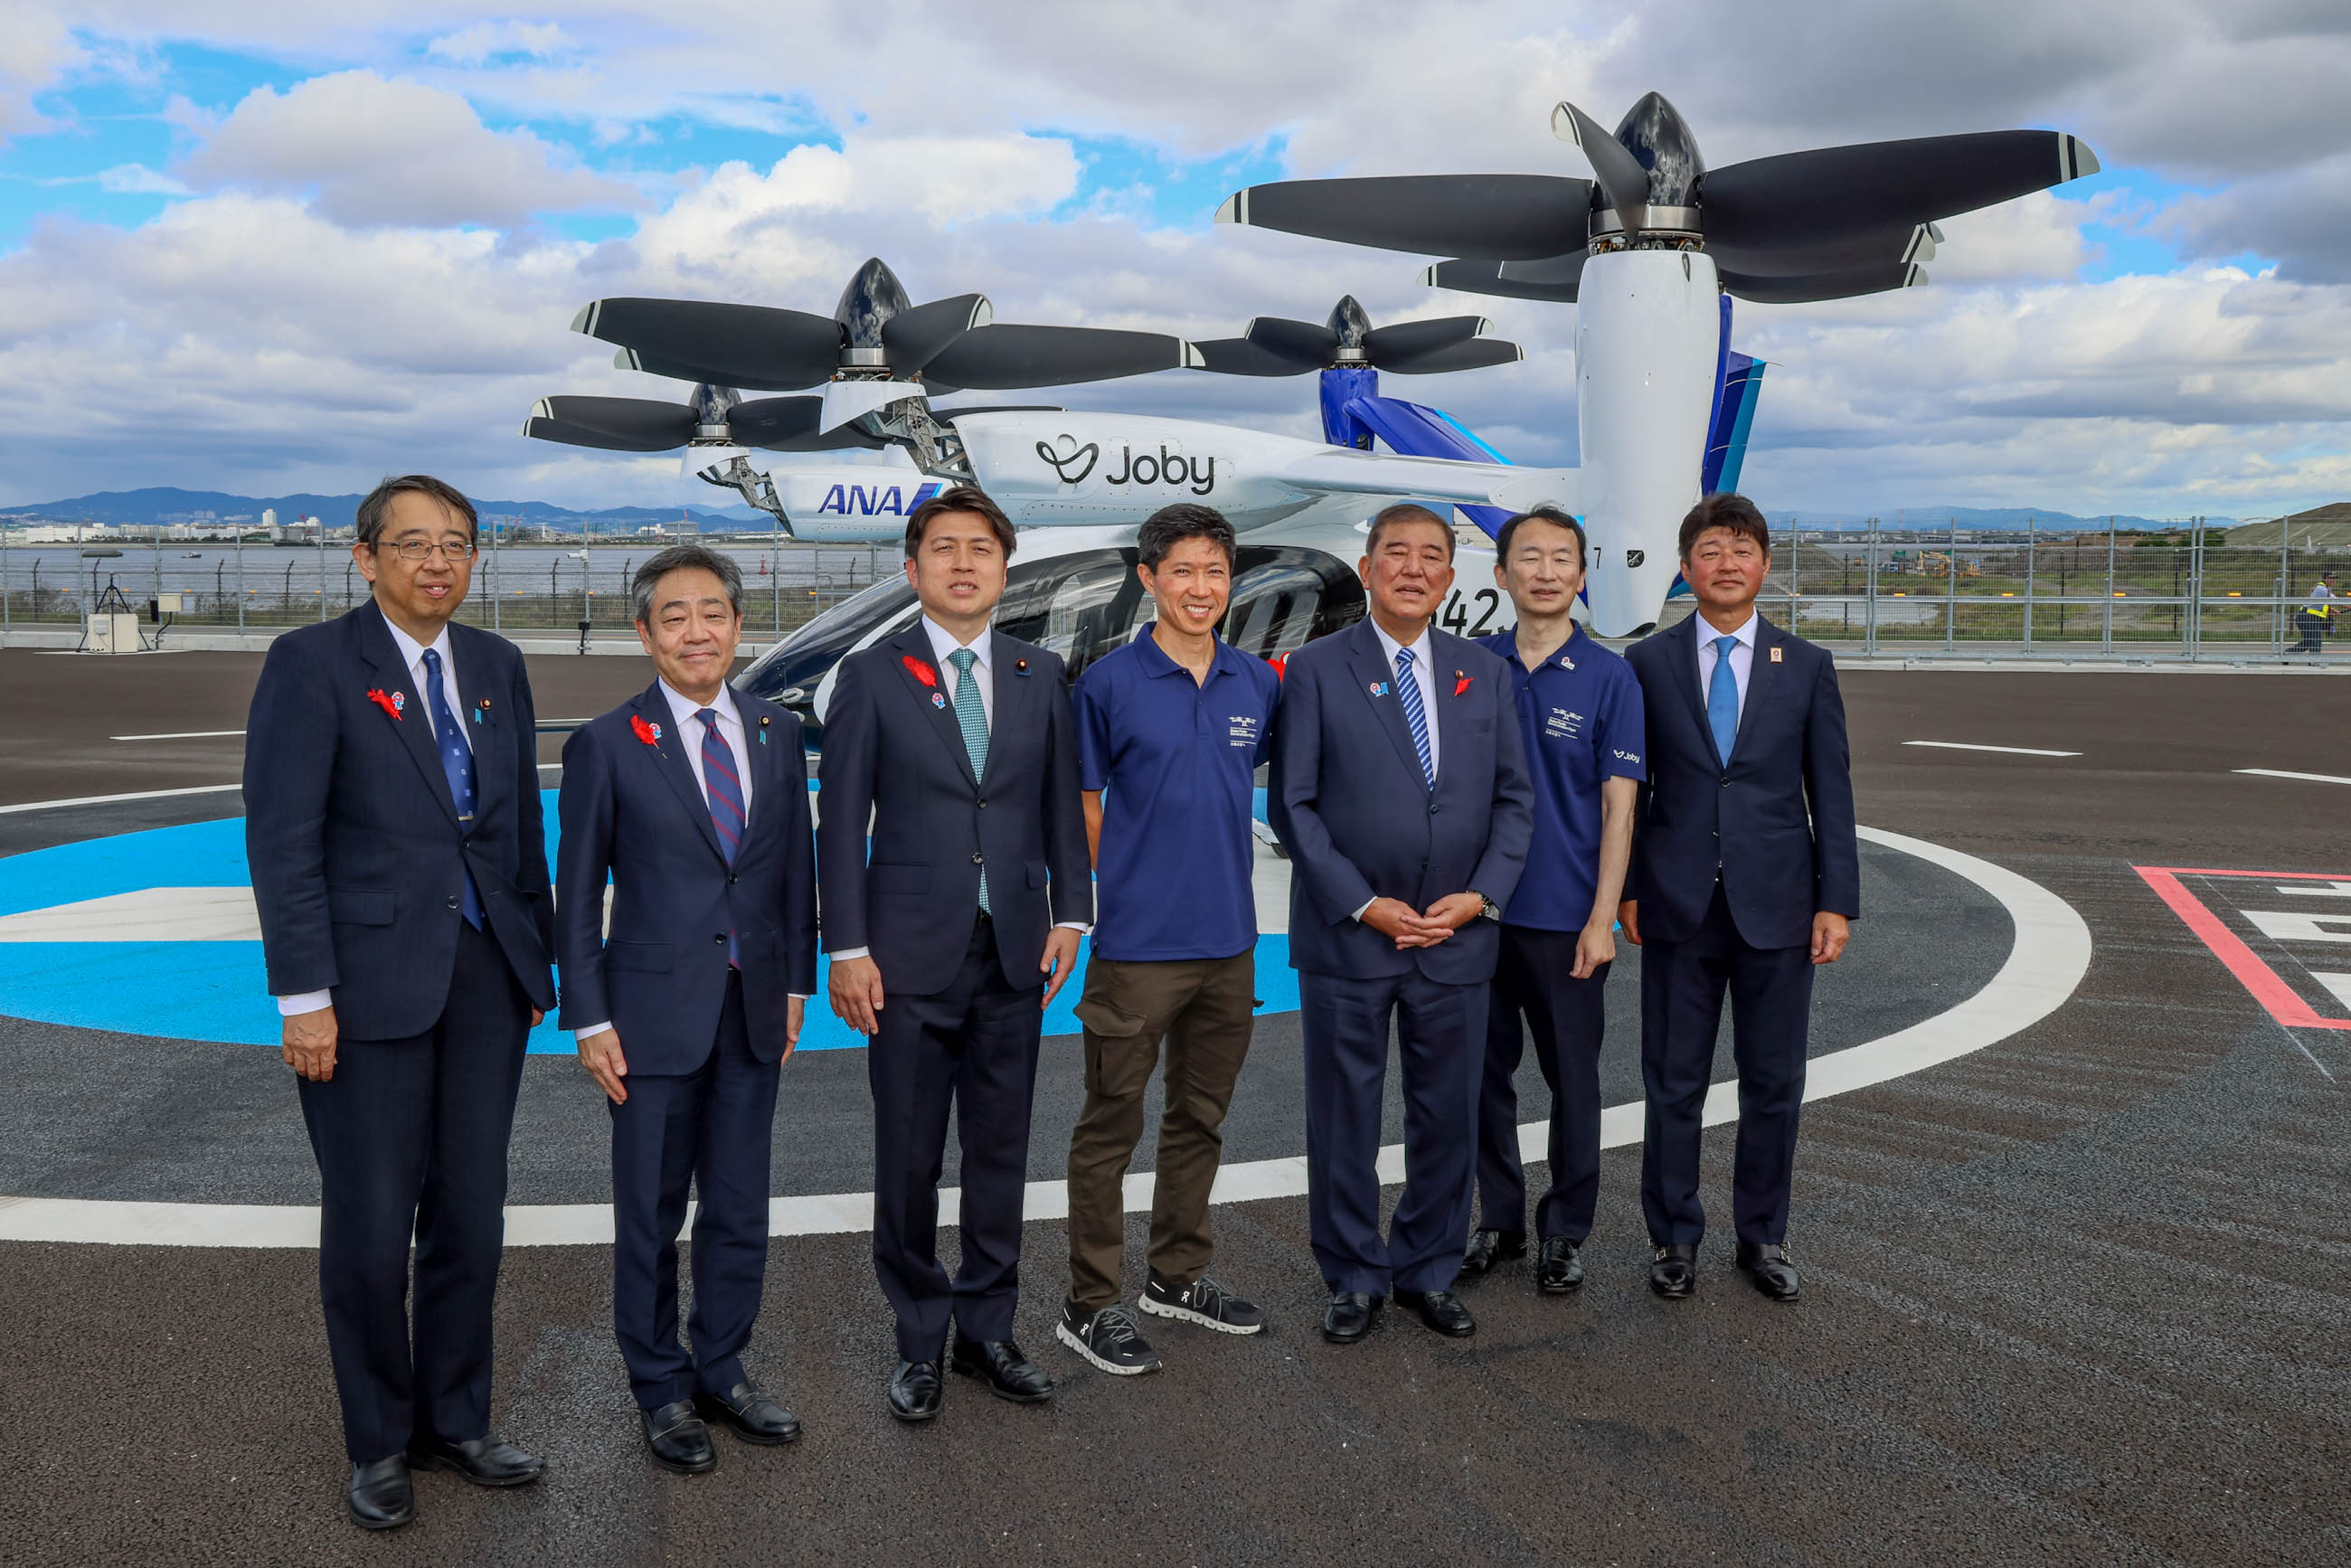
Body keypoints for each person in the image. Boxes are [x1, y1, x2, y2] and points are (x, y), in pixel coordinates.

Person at [244, 475, 556, 1531]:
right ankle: (378, 1440)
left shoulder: (499, 666)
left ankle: (453, 1420)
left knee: (472, 1211)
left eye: (456, 544)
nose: (437, 561)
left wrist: (538, 965)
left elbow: (517, 839)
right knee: (373, 1227)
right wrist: (303, 997)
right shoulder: (312, 664)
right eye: (413, 543)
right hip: (366, 986)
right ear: (364, 557)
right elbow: (282, 840)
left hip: (486, 980)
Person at [817, 485, 1091, 1422]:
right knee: (907, 1158)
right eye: (944, 548)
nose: (964, 562)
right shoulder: (872, 673)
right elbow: (841, 818)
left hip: (1014, 951)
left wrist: (1073, 913)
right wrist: (845, 946)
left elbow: (1060, 806)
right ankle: (919, 1338)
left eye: (981, 548)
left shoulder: (1036, 673)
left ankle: (987, 1331)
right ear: (912, 568)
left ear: (1003, 570)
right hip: (901, 957)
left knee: (1000, 1151)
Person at [555, 546, 817, 1474]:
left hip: (751, 1011)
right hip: (647, 1021)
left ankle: (723, 1367)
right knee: (650, 1213)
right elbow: (577, 891)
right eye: (675, 616)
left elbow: (793, 874)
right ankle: (659, 1388)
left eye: (713, 612)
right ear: (644, 633)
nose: (696, 630)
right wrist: (588, 1018)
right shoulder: (605, 744)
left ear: (739, 626)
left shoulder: (777, 731)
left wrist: (793, 989)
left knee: (740, 1207)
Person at [1269, 502, 1533, 1344]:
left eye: (1431, 556)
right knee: (1343, 1113)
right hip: (1352, 936)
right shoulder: (1311, 669)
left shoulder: (1484, 673)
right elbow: (1294, 807)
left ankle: (1427, 1267)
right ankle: (1351, 1274)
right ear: (1370, 566)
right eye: (1397, 553)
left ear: (1450, 578)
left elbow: (1515, 801)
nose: (1414, 568)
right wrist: (1365, 902)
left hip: (1457, 936)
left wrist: (1482, 896)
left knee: (1447, 1112)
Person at [1056, 503, 1280, 1376]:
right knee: (1110, 1126)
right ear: (1149, 578)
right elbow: (1083, 805)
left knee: (1201, 1119)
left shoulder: (1255, 682)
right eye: (1183, 571)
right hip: (1138, 948)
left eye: (1216, 573)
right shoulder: (1108, 683)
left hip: (1230, 942)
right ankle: (1090, 1303)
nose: (1201, 588)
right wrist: (1114, 896)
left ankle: (1177, 1277)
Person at [1619, 492, 1858, 1305]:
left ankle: (1763, 1234)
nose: (1727, 564)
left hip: (1781, 907)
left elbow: (1832, 791)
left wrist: (1838, 901)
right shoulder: (1646, 664)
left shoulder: (1808, 666)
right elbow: (1628, 795)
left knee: (1773, 1081)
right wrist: (1626, 891)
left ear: (1765, 566)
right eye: (1711, 551)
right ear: (1686, 568)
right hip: (1676, 903)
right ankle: (1674, 1238)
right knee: (1673, 1081)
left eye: (1743, 550)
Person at [1462, 507, 1645, 1294]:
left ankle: (1565, 1230)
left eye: (1560, 558)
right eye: (1528, 557)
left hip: (1565, 921)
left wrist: (1602, 916)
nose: (1544, 571)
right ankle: (1497, 1220)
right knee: (1478, 1077)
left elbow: (1619, 807)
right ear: (1500, 575)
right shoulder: (1466, 665)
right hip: (1475, 916)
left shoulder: (1611, 676)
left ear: (1580, 576)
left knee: (1573, 1079)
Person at [2291, 570, 2337, 653]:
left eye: (2335, 578)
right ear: (2324, 578)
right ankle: (2314, 659)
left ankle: (2288, 654)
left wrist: (2331, 610)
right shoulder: (2321, 589)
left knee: (2310, 641)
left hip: (2311, 617)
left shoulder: (2326, 588)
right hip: (2307, 617)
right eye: (2331, 578)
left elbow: (2322, 603)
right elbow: (2339, 601)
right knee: (2315, 639)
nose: (2333, 580)